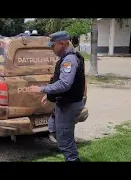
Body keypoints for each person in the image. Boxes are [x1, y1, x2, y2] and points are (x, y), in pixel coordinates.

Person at [29, 31, 86, 162]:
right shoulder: (66, 58)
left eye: (53, 46)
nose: (52, 49)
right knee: (53, 127)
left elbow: (65, 84)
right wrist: (49, 94)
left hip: (69, 105)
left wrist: (42, 89)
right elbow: (58, 80)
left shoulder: (70, 60)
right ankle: (67, 144)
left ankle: (72, 156)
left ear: (62, 43)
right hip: (64, 104)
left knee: (65, 140)